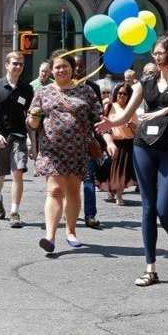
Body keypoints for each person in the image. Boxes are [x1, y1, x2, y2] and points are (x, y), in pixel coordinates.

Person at [96, 35, 168, 287]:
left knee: (163, 207)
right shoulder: (144, 83)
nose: (155, 57)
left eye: (160, 53)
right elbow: (125, 115)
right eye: (154, 54)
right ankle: (151, 269)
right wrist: (110, 124)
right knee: (148, 208)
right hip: (143, 147)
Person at [28, 50, 113, 253]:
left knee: (73, 191)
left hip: (78, 150)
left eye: (65, 66)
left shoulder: (86, 91)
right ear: (51, 71)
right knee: (55, 191)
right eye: (57, 66)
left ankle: (71, 231)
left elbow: (98, 119)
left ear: (72, 68)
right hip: (52, 150)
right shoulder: (43, 92)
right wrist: (34, 117)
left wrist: (108, 139)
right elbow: (31, 123)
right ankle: (50, 236)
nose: (61, 70)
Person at [0, 51, 34, 228]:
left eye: (21, 64)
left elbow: (30, 117)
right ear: (7, 65)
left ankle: (15, 212)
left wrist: (33, 142)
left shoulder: (27, 89)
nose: (18, 67)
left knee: (17, 173)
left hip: (19, 137)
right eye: (15, 63)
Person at [74, 54, 104, 229]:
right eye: (75, 66)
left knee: (88, 178)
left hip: (87, 140)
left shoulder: (93, 87)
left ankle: (90, 215)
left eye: (81, 65)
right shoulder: (65, 87)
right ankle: (67, 210)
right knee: (68, 180)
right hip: (67, 141)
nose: (78, 69)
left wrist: (101, 137)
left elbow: (98, 114)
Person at [99, 83, 137, 206]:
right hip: (112, 142)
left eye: (125, 94)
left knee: (122, 171)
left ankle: (119, 194)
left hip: (127, 143)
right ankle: (110, 190)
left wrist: (131, 125)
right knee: (110, 170)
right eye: (119, 93)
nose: (121, 96)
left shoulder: (131, 110)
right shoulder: (110, 106)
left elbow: (137, 129)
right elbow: (103, 123)